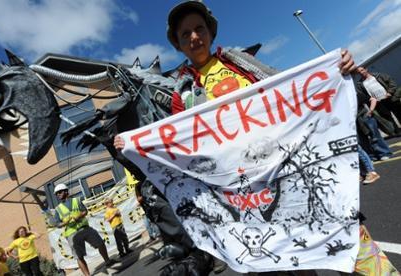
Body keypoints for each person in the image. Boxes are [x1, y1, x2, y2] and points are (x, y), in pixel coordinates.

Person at [113, 1, 360, 275]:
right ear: (178, 44)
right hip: (238, 190)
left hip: (283, 167)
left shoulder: (240, 62)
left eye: (199, 29)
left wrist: (334, 70)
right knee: (272, 259)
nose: (194, 37)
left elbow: (288, 87)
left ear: (210, 32)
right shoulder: (181, 93)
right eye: (185, 34)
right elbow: (179, 145)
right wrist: (134, 144)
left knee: (335, 234)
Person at [53, 183, 115, 276]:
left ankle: (108, 261)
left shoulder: (76, 200)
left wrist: (79, 216)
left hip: (84, 228)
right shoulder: (58, 209)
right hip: (71, 234)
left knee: (100, 243)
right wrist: (65, 223)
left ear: (66, 191)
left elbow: (85, 211)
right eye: (56, 193)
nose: (58, 194)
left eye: (59, 192)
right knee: (79, 256)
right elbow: (57, 224)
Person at [356, 66, 401, 136]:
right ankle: (397, 132)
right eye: (359, 72)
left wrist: (390, 92)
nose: (361, 73)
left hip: (390, 98)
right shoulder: (360, 84)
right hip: (378, 103)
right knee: (388, 118)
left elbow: (391, 82)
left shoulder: (378, 75)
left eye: (362, 70)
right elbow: (364, 96)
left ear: (366, 69)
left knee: (399, 113)